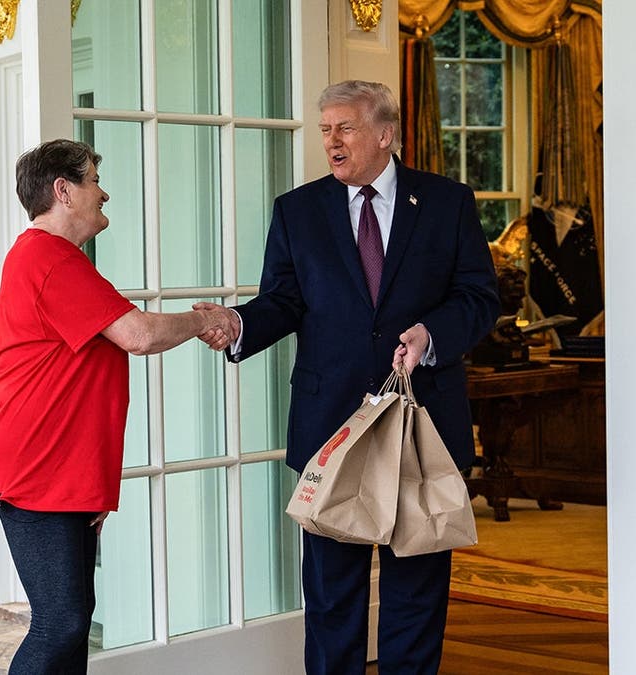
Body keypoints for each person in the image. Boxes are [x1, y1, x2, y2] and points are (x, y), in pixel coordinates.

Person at [197, 80, 499, 674]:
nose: (331, 141)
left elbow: (478, 297)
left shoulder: (447, 202)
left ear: (386, 135)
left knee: (416, 591)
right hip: (331, 425)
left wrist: (430, 335)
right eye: (325, 129)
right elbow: (282, 301)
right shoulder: (298, 210)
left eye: (345, 128)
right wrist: (237, 324)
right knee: (333, 596)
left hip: (423, 427)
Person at [0, 139, 228, 674]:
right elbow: (137, 334)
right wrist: (204, 320)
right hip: (35, 466)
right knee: (61, 622)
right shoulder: (47, 258)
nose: (104, 191)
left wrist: (90, 479)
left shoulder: (56, 259)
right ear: (63, 191)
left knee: (72, 619)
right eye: (93, 179)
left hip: (59, 467)